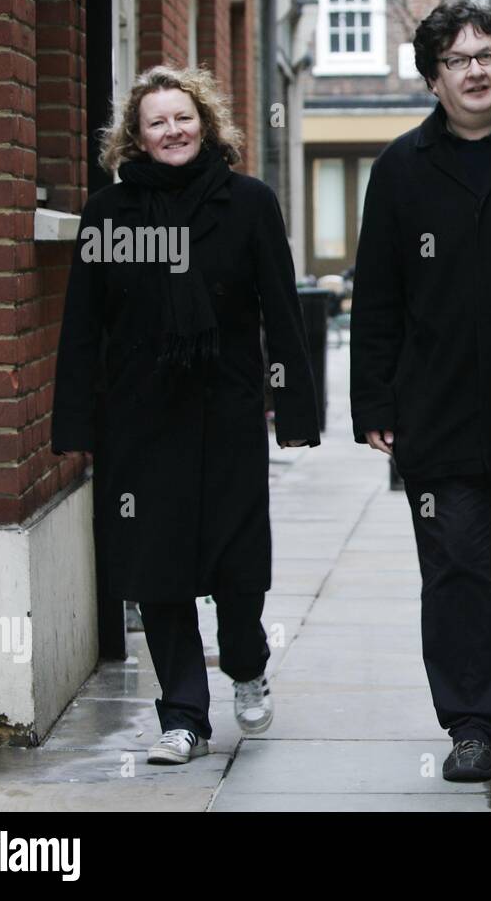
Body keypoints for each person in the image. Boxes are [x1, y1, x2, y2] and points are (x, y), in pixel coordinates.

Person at [53, 65, 321, 765]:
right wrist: (76, 423)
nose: (172, 130)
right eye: (156, 122)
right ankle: (182, 717)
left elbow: (280, 311)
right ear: (135, 138)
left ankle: (247, 659)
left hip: (227, 409)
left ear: (204, 123)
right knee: (156, 567)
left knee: (237, 565)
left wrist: (295, 408)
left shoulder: (248, 203)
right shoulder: (108, 215)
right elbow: (84, 324)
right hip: (139, 419)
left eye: (183, 117)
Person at [351, 1, 491, 782]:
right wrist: (373, 401)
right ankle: (475, 721)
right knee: (453, 566)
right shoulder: (401, 169)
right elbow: (375, 292)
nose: (475, 70)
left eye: (487, 55)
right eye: (457, 60)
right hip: (435, 410)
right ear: (432, 78)